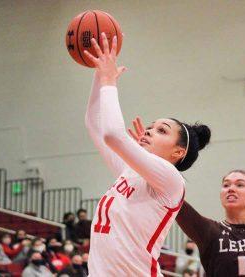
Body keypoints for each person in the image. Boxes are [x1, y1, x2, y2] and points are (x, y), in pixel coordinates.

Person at [83, 33, 211, 276]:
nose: (151, 131)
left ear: (178, 152)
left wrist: (110, 81)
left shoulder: (172, 180)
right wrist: (100, 73)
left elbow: (112, 134)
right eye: (151, 127)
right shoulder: (129, 171)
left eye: (161, 130)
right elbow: (94, 123)